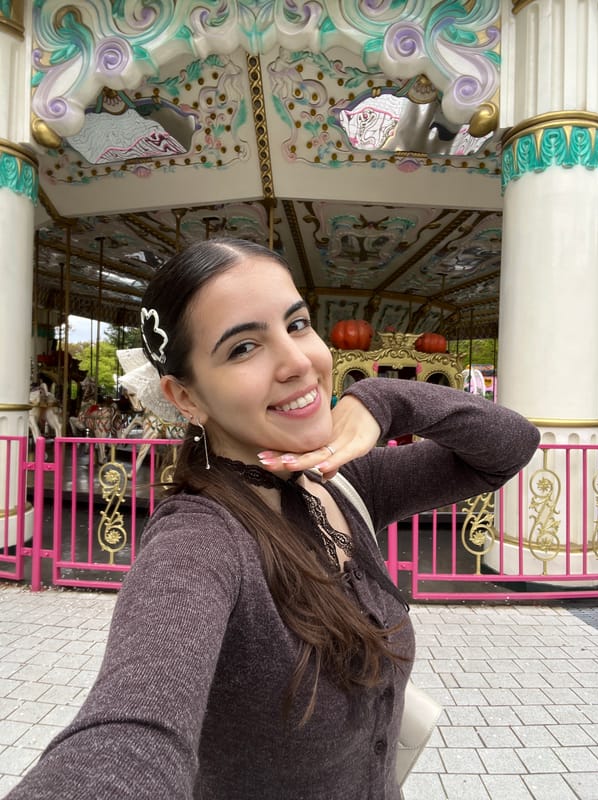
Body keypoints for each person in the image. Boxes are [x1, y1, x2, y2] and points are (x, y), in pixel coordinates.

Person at [6, 238, 540, 800]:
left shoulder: (345, 483)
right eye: (242, 349)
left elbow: (509, 446)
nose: (297, 362)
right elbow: (129, 732)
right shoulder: (200, 544)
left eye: (298, 324)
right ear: (185, 396)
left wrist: (384, 400)